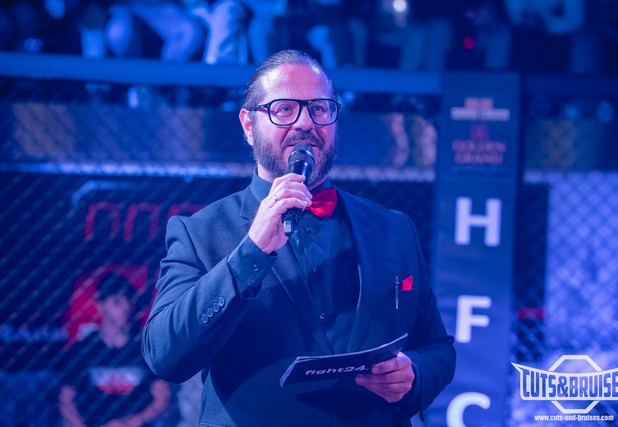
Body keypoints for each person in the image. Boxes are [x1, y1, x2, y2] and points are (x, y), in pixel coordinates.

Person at [142, 49, 456, 426]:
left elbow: (437, 347)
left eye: (320, 108)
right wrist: (250, 253)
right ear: (248, 124)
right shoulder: (201, 232)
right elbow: (165, 355)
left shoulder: (393, 228)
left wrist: (413, 374)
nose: (306, 122)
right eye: (285, 109)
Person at [59, 273, 171, 427]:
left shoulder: (145, 347)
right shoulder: (84, 350)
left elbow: (162, 401)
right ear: (101, 305)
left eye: (128, 301)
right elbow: (66, 401)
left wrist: (130, 423)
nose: (125, 308)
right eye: (117, 302)